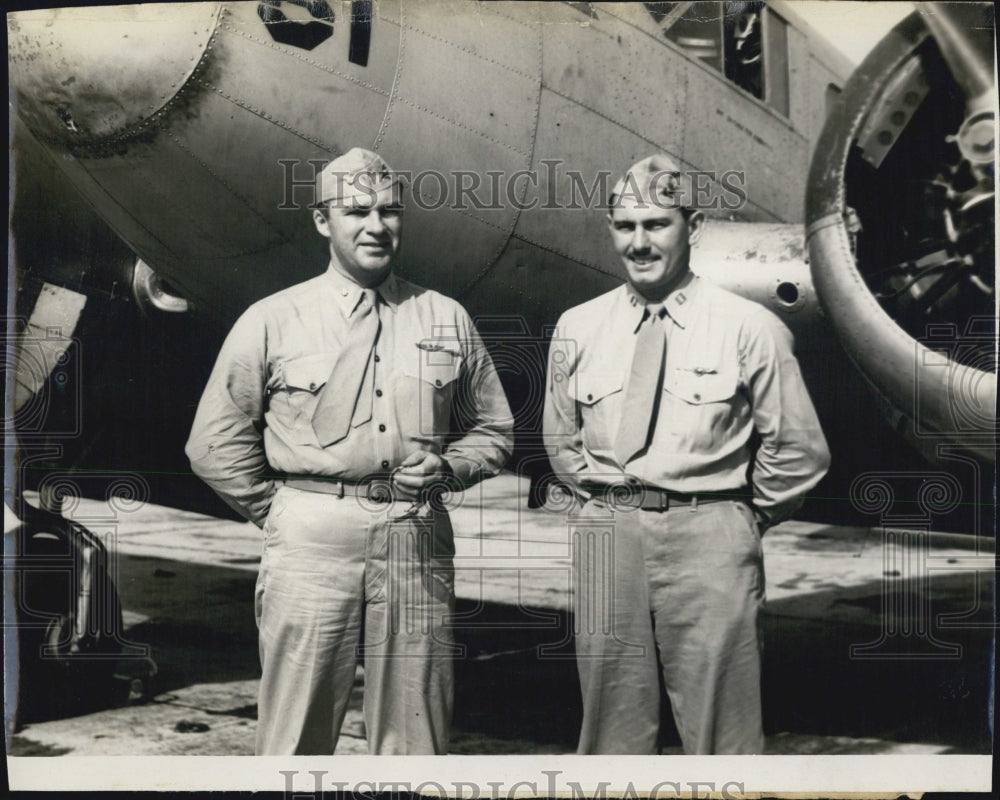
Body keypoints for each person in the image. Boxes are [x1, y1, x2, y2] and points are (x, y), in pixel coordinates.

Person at [186, 147, 513, 755]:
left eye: (389, 211)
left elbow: (496, 431)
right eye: (356, 210)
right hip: (311, 538)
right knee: (296, 733)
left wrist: (449, 467)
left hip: (415, 534)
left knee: (418, 737)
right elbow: (212, 443)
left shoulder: (445, 317)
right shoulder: (273, 320)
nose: (375, 226)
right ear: (321, 220)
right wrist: (281, 511)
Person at [543, 154, 830, 754]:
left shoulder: (750, 327)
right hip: (605, 536)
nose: (640, 243)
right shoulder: (577, 325)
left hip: (709, 534)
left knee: (721, 731)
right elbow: (561, 438)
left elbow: (798, 449)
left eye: (657, 225)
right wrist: (602, 506)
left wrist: (741, 517)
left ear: (693, 226)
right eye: (626, 227)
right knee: (608, 732)